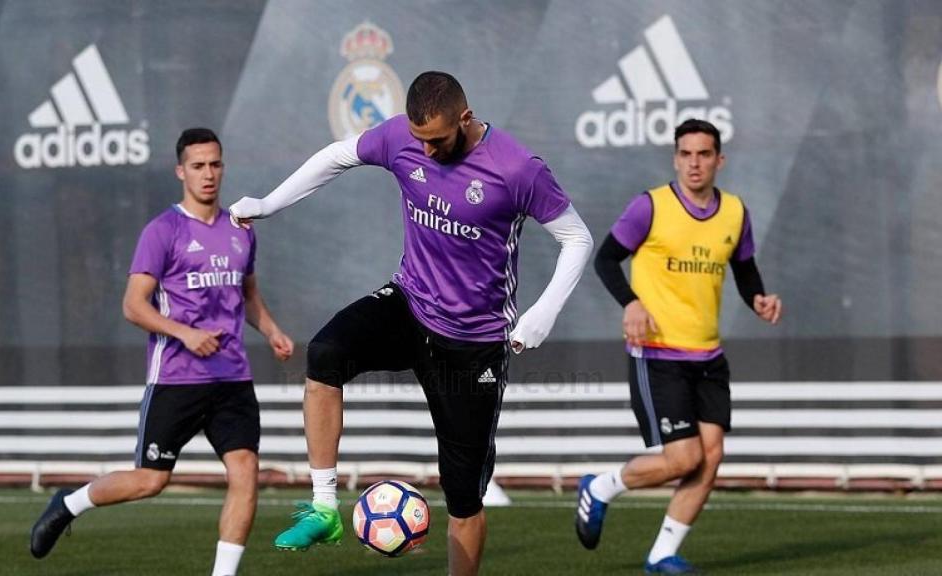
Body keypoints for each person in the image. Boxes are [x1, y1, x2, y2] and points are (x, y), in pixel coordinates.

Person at [229, 71, 593, 575]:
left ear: (465, 118)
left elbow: (577, 239)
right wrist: (269, 204)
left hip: (473, 342)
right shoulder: (403, 135)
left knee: (463, 498)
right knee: (326, 354)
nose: (425, 152)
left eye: (437, 140)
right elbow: (336, 156)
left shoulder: (517, 168)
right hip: (410, 304)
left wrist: (542, 312)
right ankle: (323, 507)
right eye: (418, 140)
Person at [29, 128, 294, 576]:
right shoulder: (163, 230)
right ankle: (69, 503)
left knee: (245, 473)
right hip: (177, 377)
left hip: (232, 378)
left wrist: (271, 330)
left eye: (215, 164)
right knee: (151, 481)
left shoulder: (240, 229)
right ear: (180, 171)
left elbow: (247, 294)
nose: (208, 174)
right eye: (198, 166)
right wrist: (185, 334)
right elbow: (133, 306)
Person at [578, 119, 782, 574]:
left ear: (719, 160)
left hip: (709, 355)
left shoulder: (734, 212)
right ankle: (601, 486)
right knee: (684, 457)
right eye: (686, 154)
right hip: (658, 354)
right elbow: (606, 259)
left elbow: (745, 270)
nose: (694, 163)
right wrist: (630, 303)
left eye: (704, 154)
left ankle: (662, 553)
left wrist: (759, 300)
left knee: (710, 457)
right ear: (675, 158)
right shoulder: (650, 206)